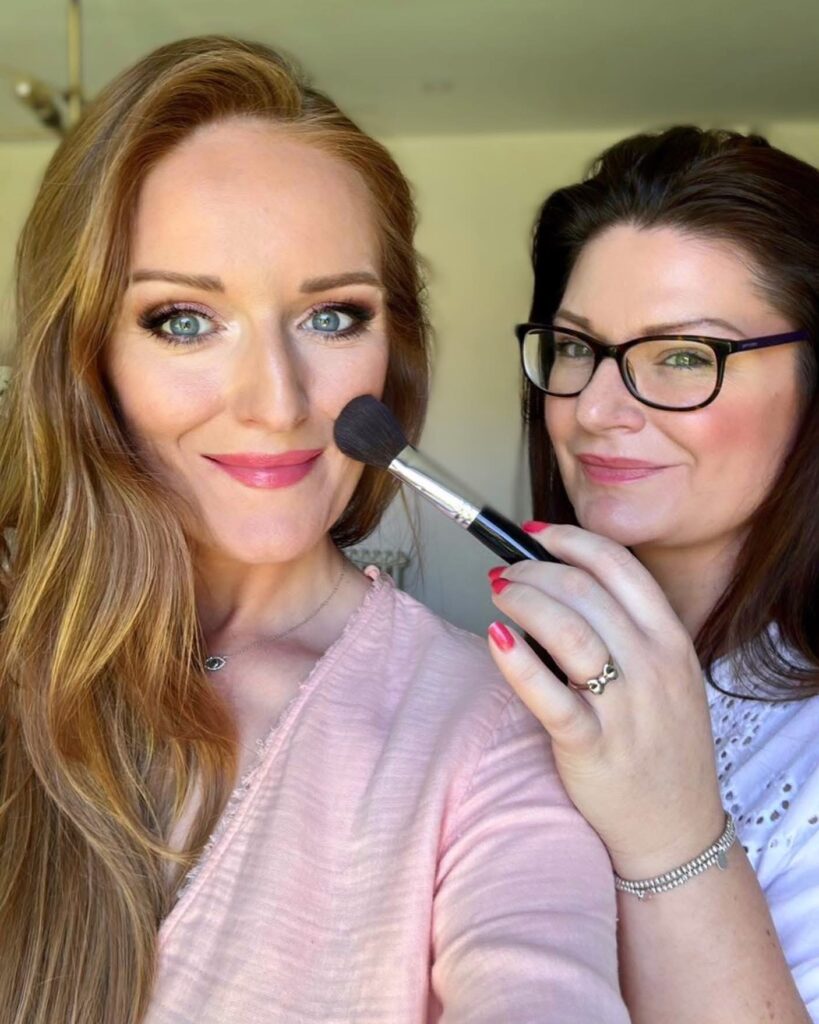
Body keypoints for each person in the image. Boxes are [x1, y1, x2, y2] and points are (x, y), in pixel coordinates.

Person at [0, 36, 630, 1024]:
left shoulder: (482, 729)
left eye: (331, 317)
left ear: (394, 353)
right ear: (87, 360)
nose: (278, 402)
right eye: (183, 320)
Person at [486, 126, 819, 1023]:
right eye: (574, 348)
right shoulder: (516, 675)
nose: (594, 409)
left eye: (682, 356)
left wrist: (672, 836)